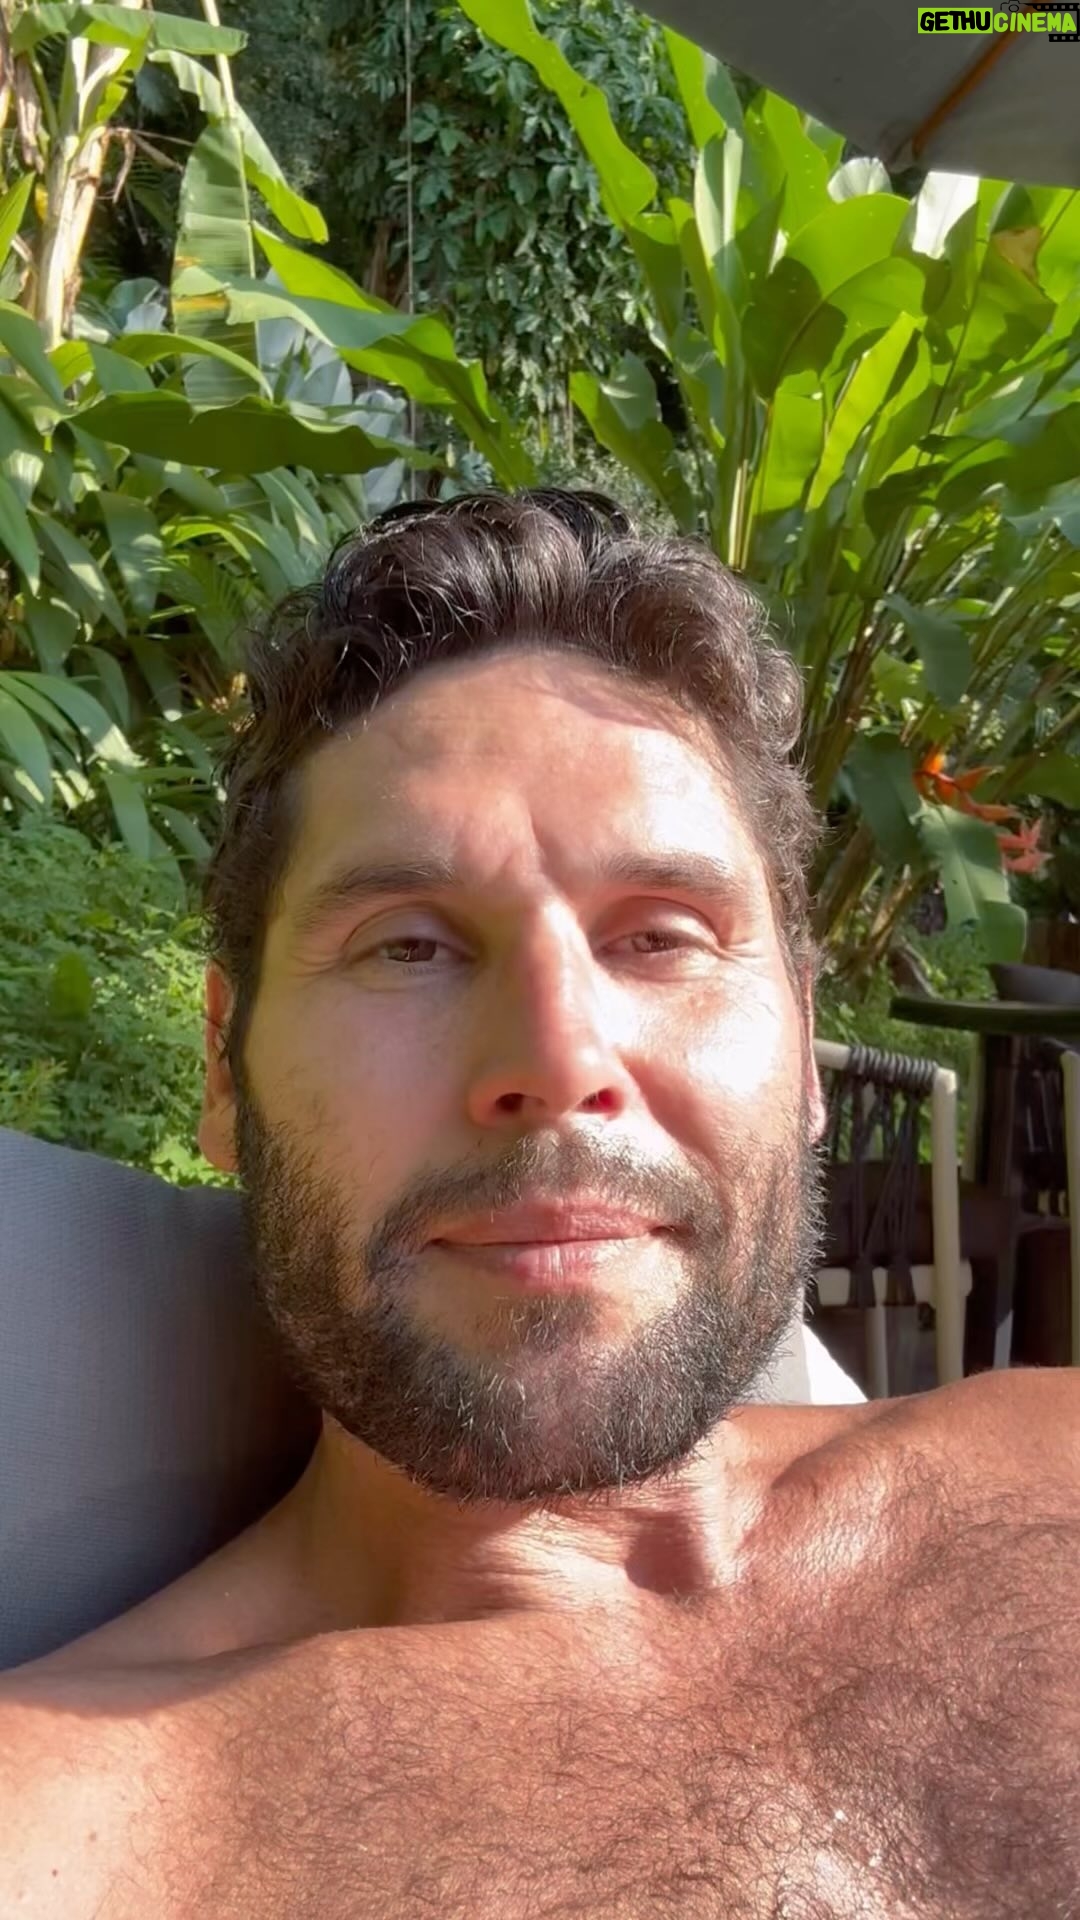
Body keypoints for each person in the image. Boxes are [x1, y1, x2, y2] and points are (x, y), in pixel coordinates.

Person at [1, 489, 1076, 1919]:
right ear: (223, 1066)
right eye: (409, 947)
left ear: (806, 1042)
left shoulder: (1052, 1476)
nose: (560, 1065)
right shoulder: (74, 1833)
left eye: (662, 937)